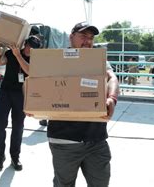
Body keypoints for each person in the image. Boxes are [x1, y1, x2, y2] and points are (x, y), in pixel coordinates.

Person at [46, 22, 119, 187]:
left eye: (91, 38)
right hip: (64, 140)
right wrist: (32, 104)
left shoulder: (97, 59)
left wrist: (112, 98)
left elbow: (112, 77)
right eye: (83, 36)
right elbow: (35, 83)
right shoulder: (56, 59)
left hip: (96, 139)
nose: (88, 41)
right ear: (71, 37)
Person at [0, 35, 42, 171]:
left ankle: (15, 156)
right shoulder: (10, 54)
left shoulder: (36, 60)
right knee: (0, 124)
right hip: (5, 92)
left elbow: (29, 71)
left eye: (34, 48)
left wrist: (18, 55)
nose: (30, 49)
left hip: (21, 94)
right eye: (29, 45)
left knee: (18, 127)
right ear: (25, 44)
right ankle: (0, 154)